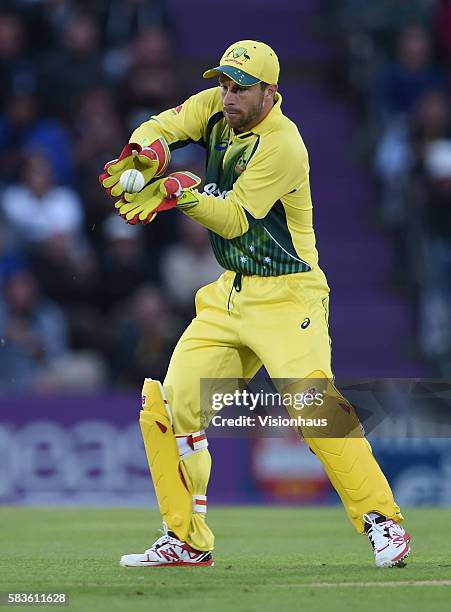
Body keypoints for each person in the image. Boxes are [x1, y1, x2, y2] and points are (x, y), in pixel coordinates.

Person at [100, 40, 411, 569]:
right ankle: (186, 539)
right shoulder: (217, 109)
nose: (228, 97)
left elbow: (237, 218)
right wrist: (146, 152)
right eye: (223, 84)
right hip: (232, 291)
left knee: (313, 404)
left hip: (290, 294)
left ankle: (382, 522)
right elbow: (161, 125)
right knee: (169, 406)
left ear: (270, 92)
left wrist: (181, 192)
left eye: (241, 88)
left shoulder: (284, 145)